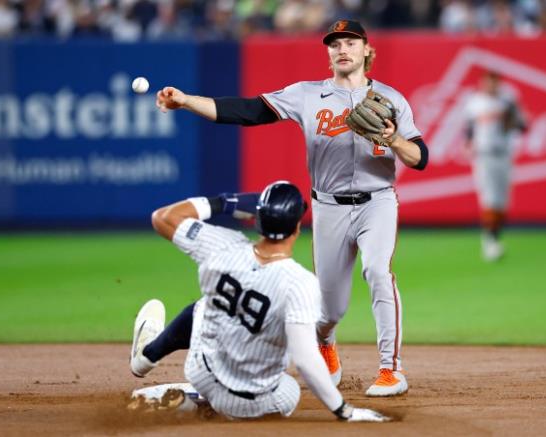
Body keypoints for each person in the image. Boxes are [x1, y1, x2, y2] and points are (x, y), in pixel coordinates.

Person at [153, 19, 429, 396]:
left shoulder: (392, 99)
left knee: (378, 271)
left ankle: (390, 370)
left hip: (377, 201)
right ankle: (325, 342)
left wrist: (394, 138)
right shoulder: (306, 95)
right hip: (328, 206)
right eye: (335, 44)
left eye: (350, 42)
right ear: (328, 53)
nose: (342, 49)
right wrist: (186, 101)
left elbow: (420, 157)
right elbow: (249, 111)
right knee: (330, 309)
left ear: (366, 50)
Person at [130, 181, 388, 421]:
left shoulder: (221, 246)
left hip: (202, 373)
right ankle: (207, 408)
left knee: (204, 309)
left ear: (256, 219)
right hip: (252, 403)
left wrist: (224, 202)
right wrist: (344, 411)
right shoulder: (300, 283)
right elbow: (306, 358)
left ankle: (163, 370)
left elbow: (163, 217)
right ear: (297, 228)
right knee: (289, 390)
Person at [464, 70, 526, 261]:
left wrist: (511, 114)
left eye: (494, 82)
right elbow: (468, 129)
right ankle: (489, 242)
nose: (490, 86)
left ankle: (494, 238)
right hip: (484, 155)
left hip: (504, 154)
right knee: (489, 198)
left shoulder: (507, 100)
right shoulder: (475, 102)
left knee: (502, 201)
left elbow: (522, 126)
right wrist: (468, 145)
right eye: (487, 82)